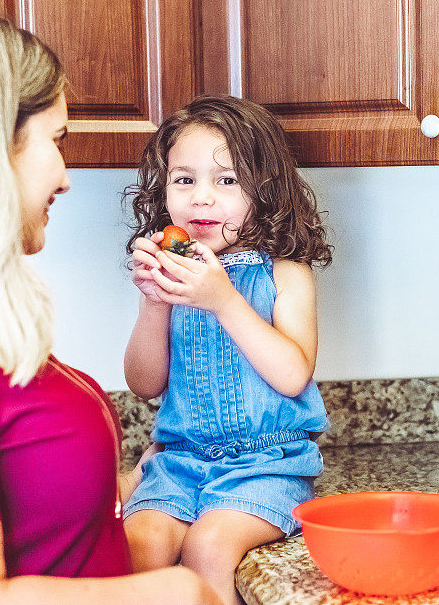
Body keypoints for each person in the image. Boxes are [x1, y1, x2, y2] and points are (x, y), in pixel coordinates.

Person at [0, 6, 221, 605]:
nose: (67, 177)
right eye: (57, 141)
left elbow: (40, 524)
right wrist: (178, 593)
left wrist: (134, 484)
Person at [122, 95, 333, 604]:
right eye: (184, 179)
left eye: (227, 180)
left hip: (266, 465)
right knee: (139, 545)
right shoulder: (174, 272)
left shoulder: (285, 271)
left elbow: (292, 375)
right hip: (180, 462)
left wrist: (222, 301)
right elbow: (144, 383)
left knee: (211, 546)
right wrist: (156, 302)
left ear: (264, 190)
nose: (200, 199)